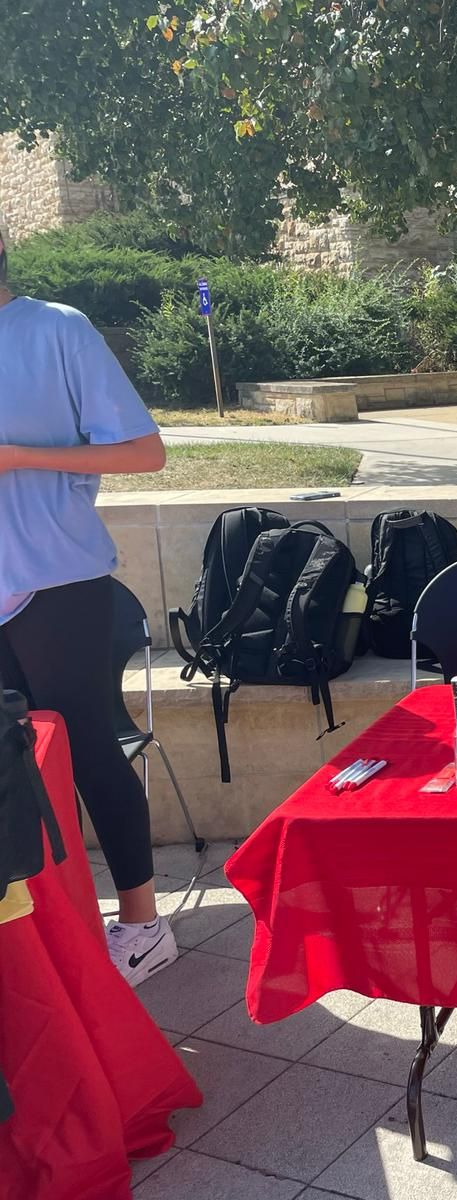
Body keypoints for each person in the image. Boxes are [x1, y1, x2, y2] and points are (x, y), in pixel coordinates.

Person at [0, 228, 175, 984]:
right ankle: (41, 925)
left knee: (87, 746)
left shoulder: (56, 328)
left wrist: (19, 457)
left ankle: (142, 928)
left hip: (57, 581)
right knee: (10, 764)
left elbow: (145, 450)